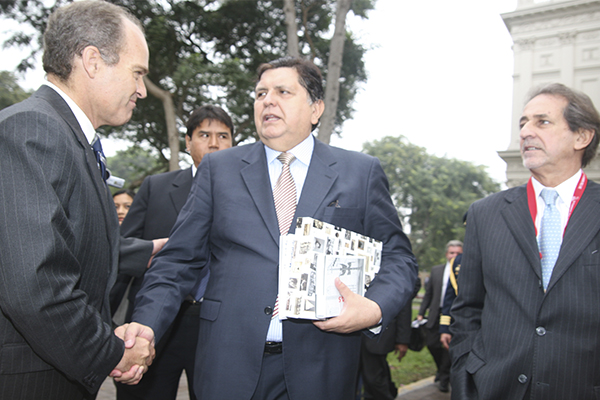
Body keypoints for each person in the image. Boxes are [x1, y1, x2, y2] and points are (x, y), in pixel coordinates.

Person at [126, 56, 418, 400]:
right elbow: (178, 260)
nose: (268, 101)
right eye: (261, 93)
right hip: (227, 364)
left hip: (322, 366)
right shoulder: (219, 169)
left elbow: (399, 258)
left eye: (283, 92)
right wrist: (145, 325)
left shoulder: (360, 172)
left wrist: (374, 308)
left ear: (316, 109)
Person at [0, 2, 157, 398]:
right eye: (137, 73)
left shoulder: (69, 139)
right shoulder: (32, 129)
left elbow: (76, 256)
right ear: (92, 61)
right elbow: (36, 287)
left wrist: (111, 333)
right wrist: (112, 352)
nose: (141, 90)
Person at [450, 83, 600, 400]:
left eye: (542, 122)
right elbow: (467, 310)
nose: (525, 132)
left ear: (582, 137)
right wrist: (466, 381)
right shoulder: (485, 213)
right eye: (523, 123)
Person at [113, 105, 234, 400]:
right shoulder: (155, 187)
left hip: (217, 325)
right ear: (188, 141)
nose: (214, 143)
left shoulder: (245, 194)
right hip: (156, 319)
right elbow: (122, 252)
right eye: (204, 135)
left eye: (223, 136)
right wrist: (105, 320)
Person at [359, 279, 421, 400]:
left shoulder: (395, 272)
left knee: (374, 378)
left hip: (379, 334)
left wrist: (403, 340)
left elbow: (405, 304)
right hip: (355, 334)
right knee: (370, 378)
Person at [417, 240, 463, 393]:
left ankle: (444, 377)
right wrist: (421, 312)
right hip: (436, 313)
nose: (454, 255)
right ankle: (441, 369)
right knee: (432, 344)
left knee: (448, 347)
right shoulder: (437, 270)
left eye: (458, 253)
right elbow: (428, 293)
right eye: (452, 252)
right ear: (446, 254)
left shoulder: (464, 270)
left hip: (454, 315)